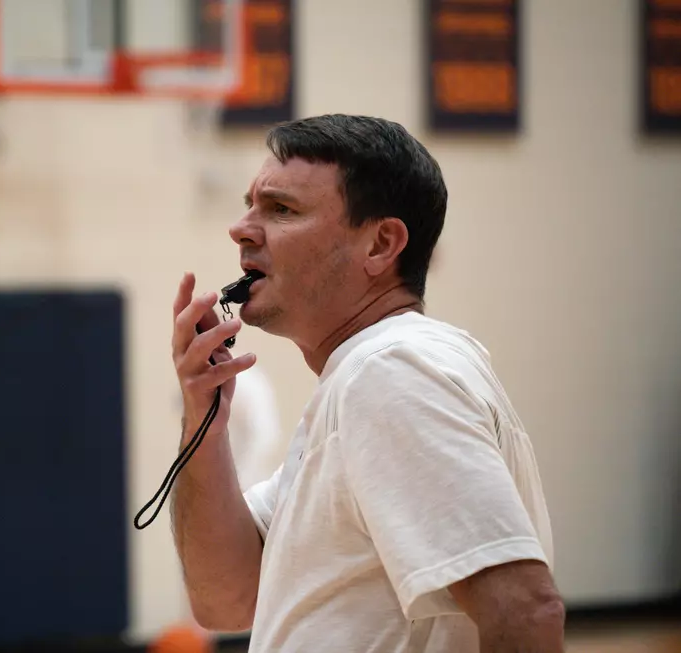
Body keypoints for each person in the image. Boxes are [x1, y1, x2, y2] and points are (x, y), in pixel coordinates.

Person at [168, 114, 563, 652]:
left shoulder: (393, 371)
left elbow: (524, 609)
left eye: (281, 209)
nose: (242, 228)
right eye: (250, 204)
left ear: (380, 245)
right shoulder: (360, 378)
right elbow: (224, 596)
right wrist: (203, 421)